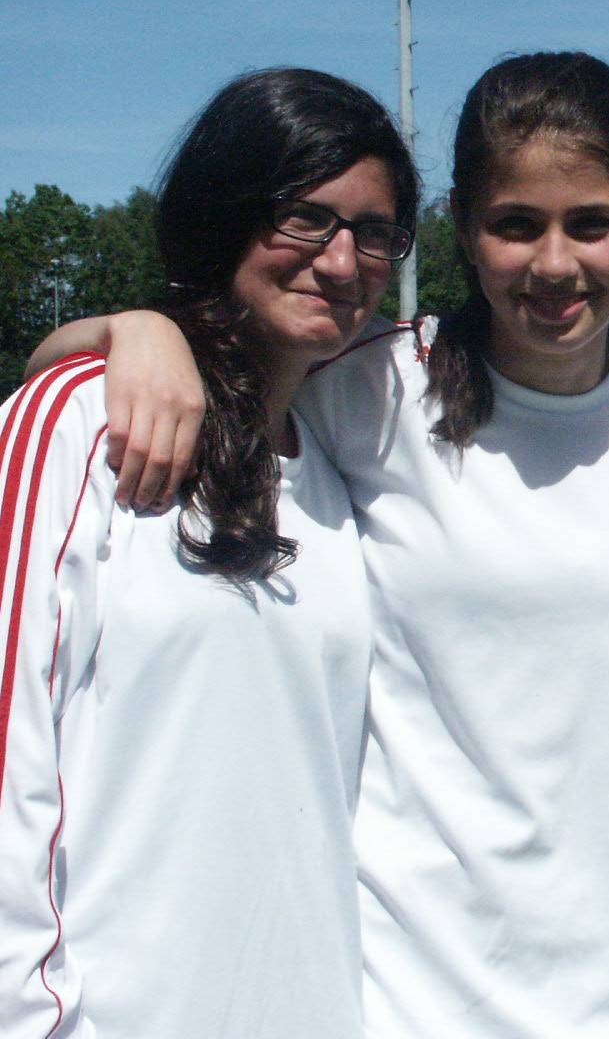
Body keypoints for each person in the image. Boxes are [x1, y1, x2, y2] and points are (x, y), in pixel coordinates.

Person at [30, 52, 609, 1039]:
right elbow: (221, 351)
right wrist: (132, 329)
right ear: (464, 228)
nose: (555, 263)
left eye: (592, 224)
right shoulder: (368, 385)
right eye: (516, 224)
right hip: (398, 1006)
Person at [1, 67, 418, 1037]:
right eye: (306, 218)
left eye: (375, 232)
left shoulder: (345, 471)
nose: (343, 261)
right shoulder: (79, 426)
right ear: (223, 212)